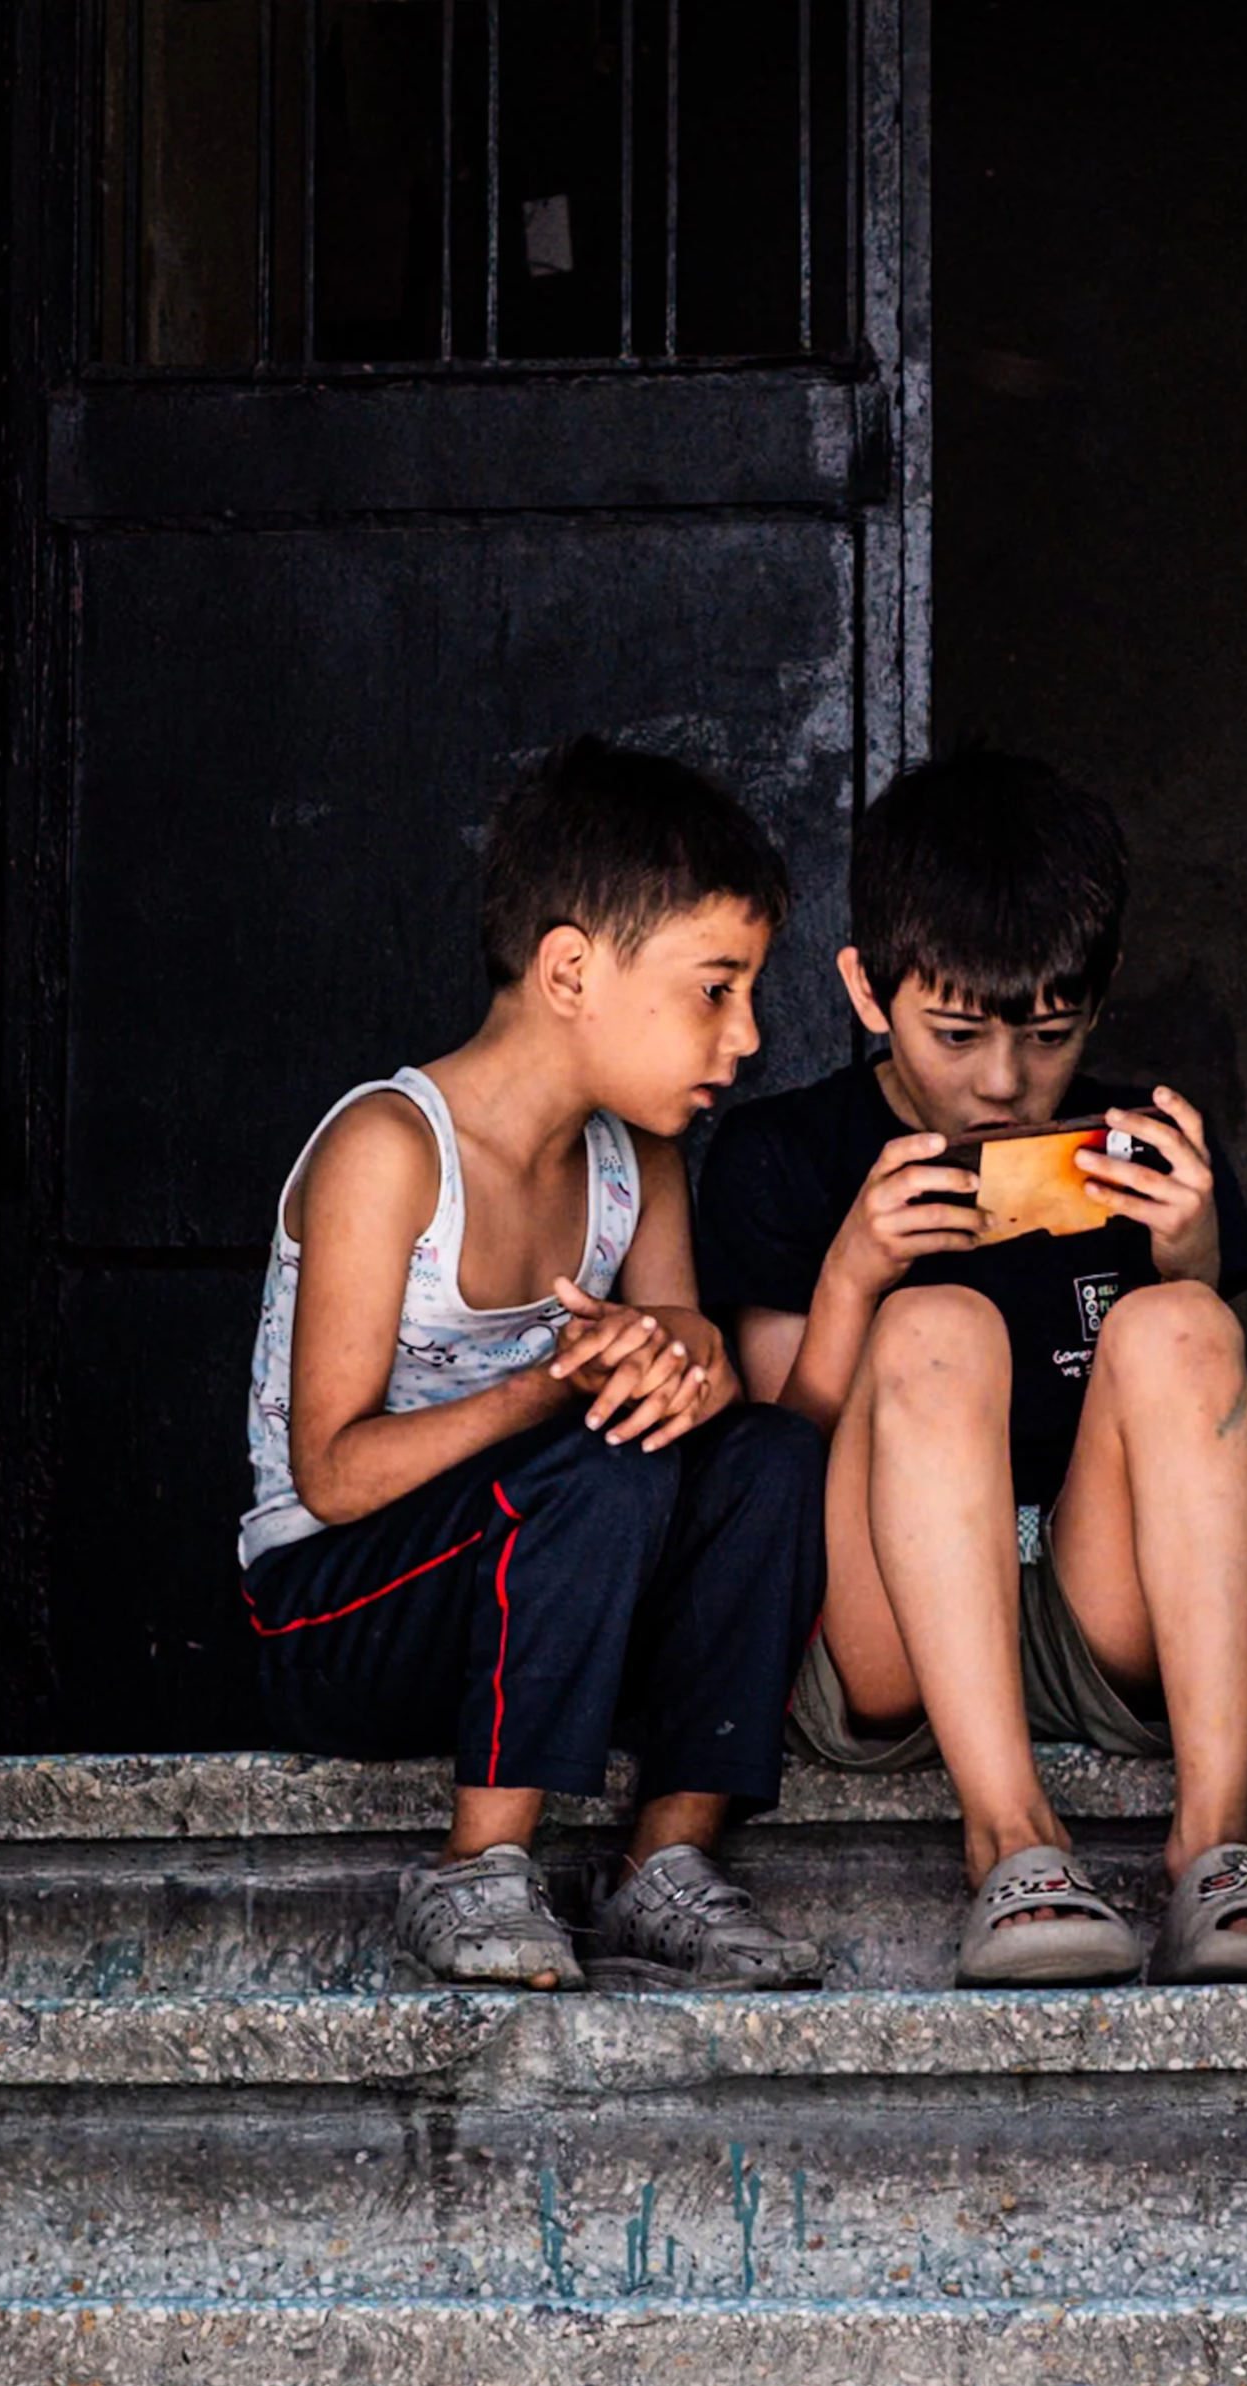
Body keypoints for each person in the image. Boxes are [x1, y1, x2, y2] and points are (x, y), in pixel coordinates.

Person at [695, 746, 1247, 1987]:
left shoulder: (1137, 1147)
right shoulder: (782, 1154)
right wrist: (847, 1277)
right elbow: (768, 1471)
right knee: (932, 1323)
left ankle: (1215, 1840)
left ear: (1098, 998)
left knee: (1182, 1328)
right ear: (863, 987)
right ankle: (1011, 1835)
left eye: (1049, 1034)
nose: (1001, 1082)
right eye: (954, 1033)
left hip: (1090, 1610)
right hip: (878, 1633)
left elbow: (1202, 1430)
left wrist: (1192, 1259)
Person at [238, 738, 827, 1993]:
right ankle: (476, 1865)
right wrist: (554, 1384)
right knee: (593, 1468)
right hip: (337, 1616)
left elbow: (696, 1369)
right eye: (714, 989)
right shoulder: (390, 1148)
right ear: (569, 968)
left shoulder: (637, 1159)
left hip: (536, 1598)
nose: (748, 1035)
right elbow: (333, 1476)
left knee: (769, 1454)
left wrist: (681, 1357)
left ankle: (662, 1864)